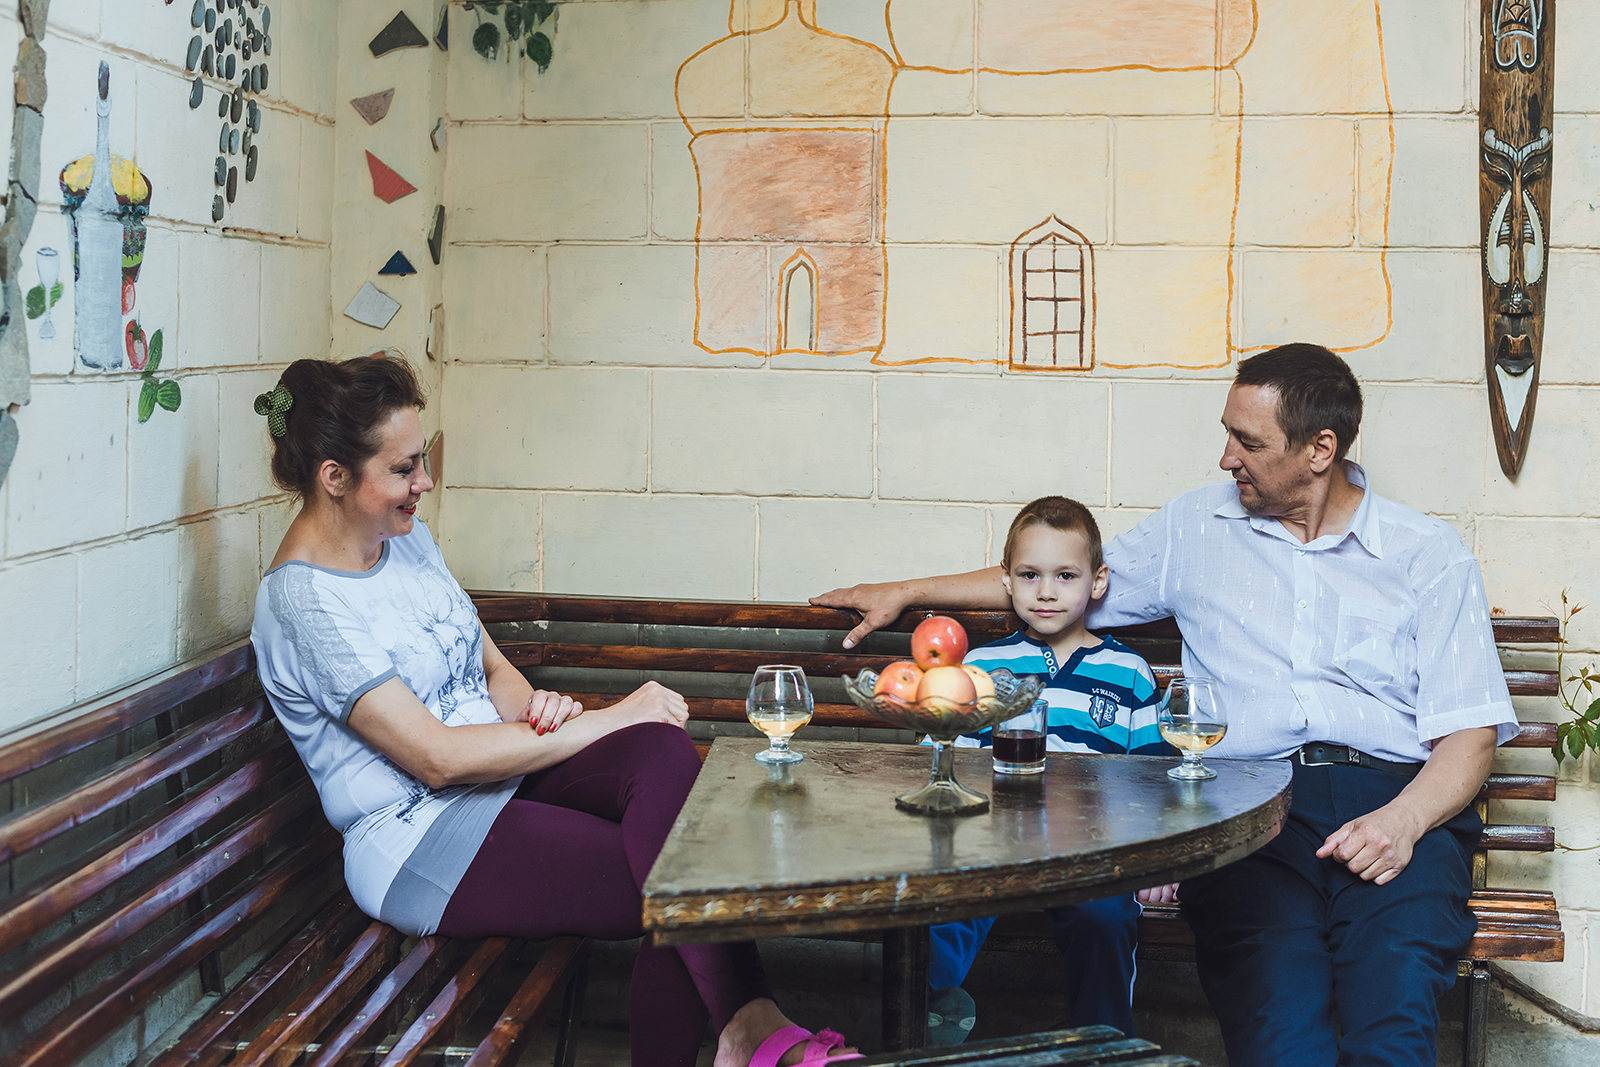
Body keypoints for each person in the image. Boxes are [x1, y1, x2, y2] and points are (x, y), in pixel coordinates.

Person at [812, 343, 1518, 1067]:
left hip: (1399, 804)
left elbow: (1471, 735)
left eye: (1248, 442)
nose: (1226, 457)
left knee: (1392, 1024)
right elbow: (1059, 579)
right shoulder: (1193, 528)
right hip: (1252, 809)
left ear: (1320, 449)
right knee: (1278, 1035)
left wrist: (1403, 821)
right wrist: (908, 590)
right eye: (1228, 434)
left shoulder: (1428, 554)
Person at [248, 356, 860, 1067]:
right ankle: (751, 1025)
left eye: (423, 460)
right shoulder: (303, 603)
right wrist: (606, 718)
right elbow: (436, 758)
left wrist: (541, 707)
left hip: (501, 773)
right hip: (422, 836)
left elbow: (489, 669)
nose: (426, 482)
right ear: (334, 476)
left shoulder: (404, 541)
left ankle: (745, 1028)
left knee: (659, 751)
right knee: (670, 881)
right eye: (405, 468)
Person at [926, 497, 1177, 1045]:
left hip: (1091, 847)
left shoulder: (1128, 671)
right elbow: (943, 755)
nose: (1046, 592)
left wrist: (1160, 860)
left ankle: (1103, 1040)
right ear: (1006, 580)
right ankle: (925, 1016)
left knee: (1104, 919)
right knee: (943, 910)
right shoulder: (983, 666)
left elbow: (1154, 777)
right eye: (1029, 575)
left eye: (1065, 575)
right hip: (992, 840)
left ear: (1097, 581)